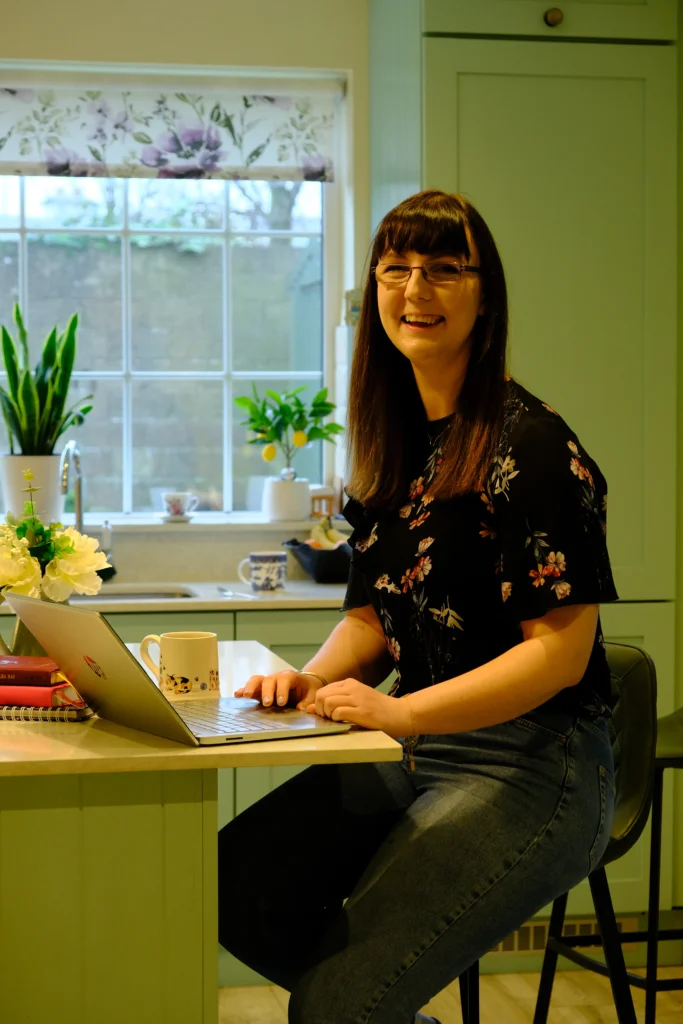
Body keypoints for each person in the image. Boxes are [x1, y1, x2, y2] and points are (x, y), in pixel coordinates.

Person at [218, 190, 618, 1024]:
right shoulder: (401, 445)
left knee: (335, 1006)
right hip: (422, 750)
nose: (415, 290)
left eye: (443, 268)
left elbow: (558, 655)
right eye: (396, 268)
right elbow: (371, 616)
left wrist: (397, 717)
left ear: (485, 293)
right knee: (232, 890)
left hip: (532, 769)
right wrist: (307, 679)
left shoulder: (532, 447)